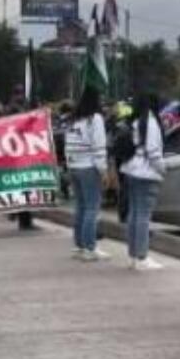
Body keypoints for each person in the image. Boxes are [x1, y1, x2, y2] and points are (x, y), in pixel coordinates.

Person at [118, 91, 167, 270]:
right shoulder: (151, 122)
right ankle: (142, 257)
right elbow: (154, 154)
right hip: (146, 172)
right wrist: (163, 170)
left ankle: (134, 255)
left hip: (130, 169)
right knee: (143, 216)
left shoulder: (135, 121)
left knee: (134, 214)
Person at [64, 86, 109, 260]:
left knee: (80, 207)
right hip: (89, 167)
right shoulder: (95, 119)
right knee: (92, 208)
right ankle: (90, 247)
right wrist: (103, 170)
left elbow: (68, 146)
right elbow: (99, 146)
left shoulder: (74, 120)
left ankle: (80, 245)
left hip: (74, 166)